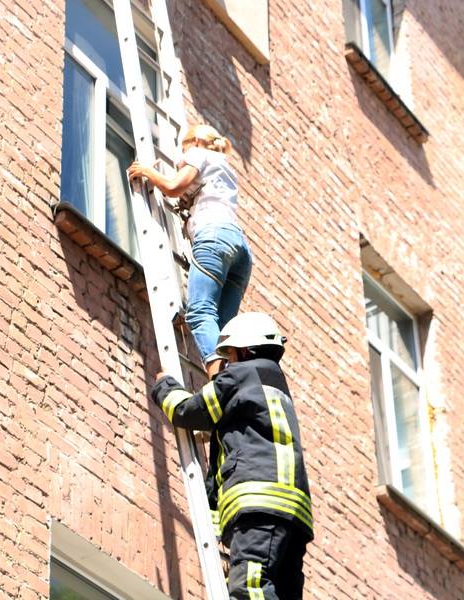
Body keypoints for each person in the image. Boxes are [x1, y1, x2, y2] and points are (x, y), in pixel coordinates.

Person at [150, 312, 314, 600]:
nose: (227, 364)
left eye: (230, 357)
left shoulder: (242, 375)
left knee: (249, 589)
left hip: (259, 506)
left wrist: (166, 386)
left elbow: (190, 412)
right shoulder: (275, 386)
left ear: (243, 350)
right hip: (294, 514)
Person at [127, 124, 252, 379]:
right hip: (240, 249)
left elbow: (173, 186)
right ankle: (237, 379)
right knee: (222, 328)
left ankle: (222, 382)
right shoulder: (224, 167)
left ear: (194, 142)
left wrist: (149, 172)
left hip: (214, 237)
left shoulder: (197, 153)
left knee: (199, 312)